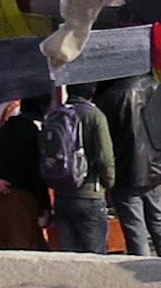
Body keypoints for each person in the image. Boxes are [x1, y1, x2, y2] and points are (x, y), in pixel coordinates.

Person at [98, 73, 161, 258]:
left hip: (125, 171)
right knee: (159, 221)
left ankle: (143, 269)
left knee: (135, 229)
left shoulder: (107, 97)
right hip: (156, 167)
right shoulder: (155, 87)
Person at [44, 86, 116, 254]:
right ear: (92, 92)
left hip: (62, 194)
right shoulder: (94, 115)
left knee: (69, 255)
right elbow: (105, 156)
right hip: (90, 194)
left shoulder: (56, 115)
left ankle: (68, 281)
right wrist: (109, 182)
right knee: (95, 255)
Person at [0, 99, 52, 251]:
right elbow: (35, 171)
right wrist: (44, 205)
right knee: (26, 250)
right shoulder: (33, 132)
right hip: (24, 199)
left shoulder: (4, 129)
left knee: (6, 246)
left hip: (1, 198)